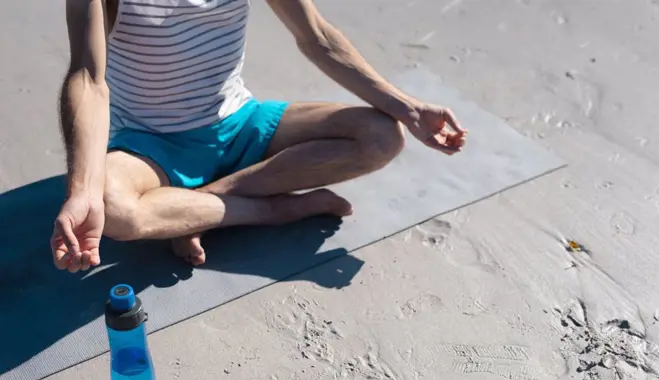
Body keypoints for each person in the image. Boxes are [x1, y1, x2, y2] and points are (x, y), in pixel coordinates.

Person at [51, 0, 467, 272]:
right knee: (114, 210)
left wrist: (408, 108)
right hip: (151, 146)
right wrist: (83, 191)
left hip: (240, 122)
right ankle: (271, 210)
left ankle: (199, 209)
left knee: (380, 136)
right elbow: (88, 78)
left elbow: (317, 37)